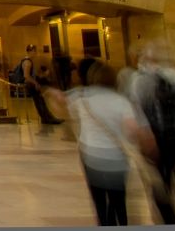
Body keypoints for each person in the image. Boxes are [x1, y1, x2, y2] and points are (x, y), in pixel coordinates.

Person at [53, 59, 152, 226]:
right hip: (116, 157)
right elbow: (133, 129)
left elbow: (61, 107)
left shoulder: (82, 99)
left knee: (99, 200)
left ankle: (105, 223)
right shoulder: (120, 101)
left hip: (91, 156)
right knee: (118, 201)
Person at [124, 39, 175, 224]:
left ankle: (168, 219)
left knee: (160, 181)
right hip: (165, 135)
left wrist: (144, 136)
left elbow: (137, 110)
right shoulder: (169, 75)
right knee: (163, 179)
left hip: (158, 136)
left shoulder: (140, 79)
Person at [20, 45, 62, 125]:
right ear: (29, 51)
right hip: (31, 85)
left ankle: (47, 117)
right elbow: (26, 76)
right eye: (34, 51)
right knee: (39, 101)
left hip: (32, 84)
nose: (35, 53)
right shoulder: (27, 62)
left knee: (40, 101)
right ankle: (47, 118)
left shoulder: (30, 61)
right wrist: (36, 83)